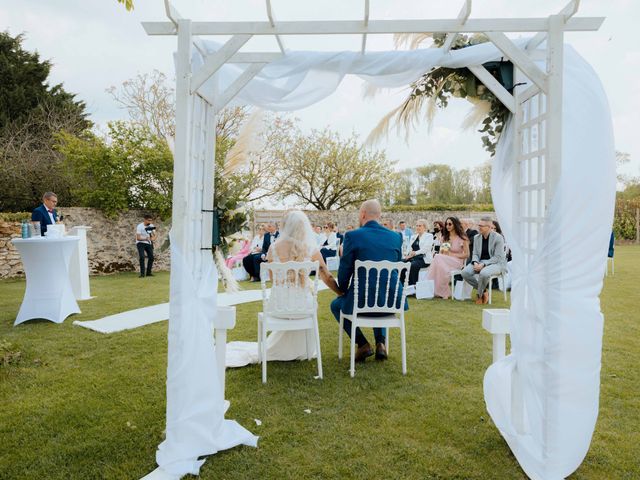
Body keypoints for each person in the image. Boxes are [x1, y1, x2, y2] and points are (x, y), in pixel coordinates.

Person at [225, 210, 341, 367]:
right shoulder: (311, 249)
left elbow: (274, 280)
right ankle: (300, 349)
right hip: (304, 307)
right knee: (305, 299)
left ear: (285, 227)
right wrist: (340, 292)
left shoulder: (273, 248)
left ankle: (289, 348)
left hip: (279, 306)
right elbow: (326, 275)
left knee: (287, 298)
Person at [331, 199, 406, 362]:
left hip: (361, 302)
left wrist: (342, 288)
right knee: (379, 296)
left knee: (336, 305)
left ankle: (363, 344)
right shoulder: (395, 237)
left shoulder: (352, 236)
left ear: (362, 214)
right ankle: (381, 344)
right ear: (379, 216)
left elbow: (345, 269)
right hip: (391, 301)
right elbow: (396, 265)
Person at [461, 217, 507, 304]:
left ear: (489, 227)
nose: (479, 227)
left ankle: (479, 295)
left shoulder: (498, 238)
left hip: (496, 263)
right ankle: (484, 291)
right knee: (465, 272)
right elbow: (475, 254)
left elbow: (497, 257)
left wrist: (483, 264)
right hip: (479, 262)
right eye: (479, 225)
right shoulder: (476, 237)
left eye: (482, 226)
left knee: (484, 273)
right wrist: (475, 262)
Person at [427, 217, 469, 299]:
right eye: (446, 224)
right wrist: (446, 247)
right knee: (439, 259)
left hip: (457, 262)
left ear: (455, 225)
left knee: (437, 258)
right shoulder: (445, 238)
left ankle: (438, 291)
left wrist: (452, 255)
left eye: (450, 224)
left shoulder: (462, 238)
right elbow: (442, 253)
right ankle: (438, 291)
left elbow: (467, 254)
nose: (447, 226)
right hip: (445, 261)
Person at [403, 219, 433, 285]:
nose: (418, 227)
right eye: (417, 226)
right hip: (413, 257)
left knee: (412, 265)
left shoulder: (429, 236)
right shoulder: (413, 236)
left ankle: (412, 286)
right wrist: (408, 255)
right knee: (401, 263)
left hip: (423, 259)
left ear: (424, 227)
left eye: (420, 226)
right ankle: (402, 284)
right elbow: (409, 248)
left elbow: (426, 249)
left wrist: (414, 253)